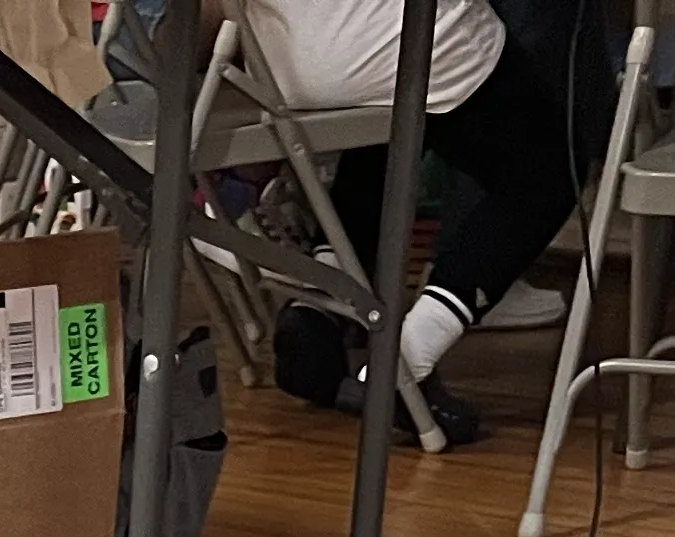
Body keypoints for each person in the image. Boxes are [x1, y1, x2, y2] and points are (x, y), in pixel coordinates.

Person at [252, 0, 590, 445]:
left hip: (282, 63)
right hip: (404, 46)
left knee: (386, 120)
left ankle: (320, 302)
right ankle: (409, 359)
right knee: (549, 171)